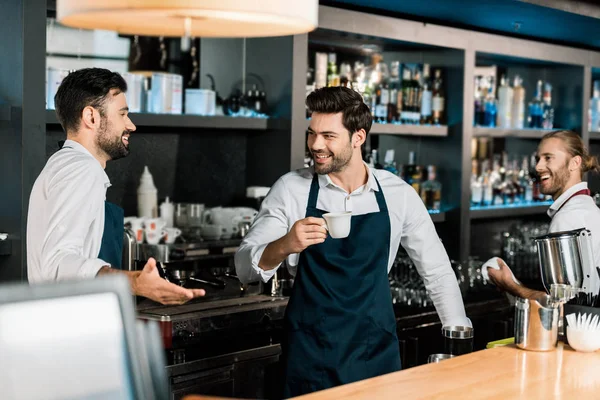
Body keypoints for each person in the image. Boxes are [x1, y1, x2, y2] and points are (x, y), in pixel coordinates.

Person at [235, 86, 470, 397]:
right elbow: (244, 268)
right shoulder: (291, 189)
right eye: (312, 134)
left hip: (375, 353)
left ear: (358, 137)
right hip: (311, 353)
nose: (316, 145)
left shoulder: (397, 194)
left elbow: (437, 271)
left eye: (329, 136)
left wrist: (459, 340)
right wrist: (285, 244)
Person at [27, 68, 205, 305]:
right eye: (122, 114)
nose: (131, 126)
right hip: (72, 329)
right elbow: (57, 265)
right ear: (91, 117)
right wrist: (134, 282)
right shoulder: (81, 169)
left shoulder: (65, 164)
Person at [488, 130, 600, 299]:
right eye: (538, 159)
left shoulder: (567, 218)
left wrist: (511, 285)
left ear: (575, 163)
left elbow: (564, 305)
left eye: (548, 158)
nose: (538, 167)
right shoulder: (589, 208)